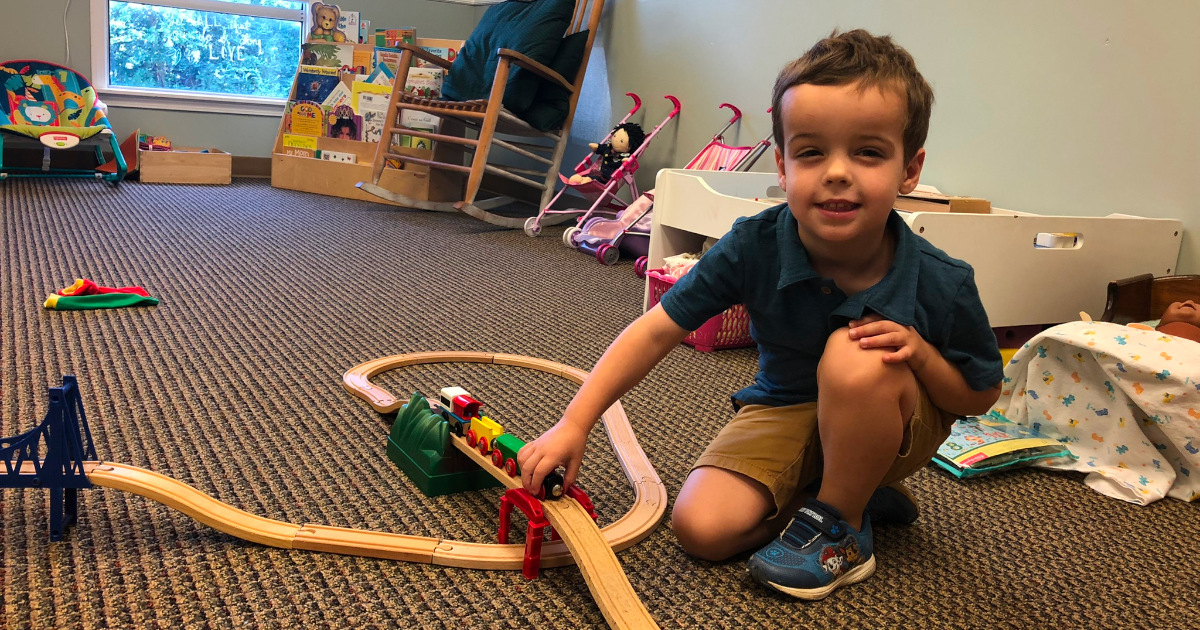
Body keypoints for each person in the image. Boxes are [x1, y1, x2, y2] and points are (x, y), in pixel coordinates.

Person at [517, 28, 1003, 600]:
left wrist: (919, 355)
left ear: (910, 169)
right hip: (784, 406)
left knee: (854, 356)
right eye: (812, 152)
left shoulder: (943, 279)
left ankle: (839, 526)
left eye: (868, 152)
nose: (838, 172)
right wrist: (575, 423)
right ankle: (848, 490)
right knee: (701, 530)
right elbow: (655, 330)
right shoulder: (754, 243)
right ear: (782, 162)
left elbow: (977, 396)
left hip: (890, 413)